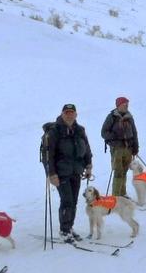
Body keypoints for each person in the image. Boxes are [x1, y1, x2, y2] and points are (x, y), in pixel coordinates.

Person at [46, 103, 94, 242]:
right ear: (62, 114)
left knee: (73, 201)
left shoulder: (80, 130)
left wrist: (89, 166)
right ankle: (64, 230)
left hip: (76, 171)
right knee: (67, 201)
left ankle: (70, 227)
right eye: (66, 112)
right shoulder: (54, 131)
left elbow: (87, 149)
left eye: (72, 112)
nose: (69, 114)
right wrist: (52, 174)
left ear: (76, 114)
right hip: (61, 172)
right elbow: (49, 156)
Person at [101, 96, 138, 197]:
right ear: (118, 105)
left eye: (127, 104)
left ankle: (123, 193)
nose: (126, 106)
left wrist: (135, 147)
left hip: (128, 148)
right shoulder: (111, 117)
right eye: (124, 104)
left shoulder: (129, 117)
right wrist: (114, 136)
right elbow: (104, 132)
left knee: (125, 171)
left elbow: (134, 132)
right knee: (118, 172)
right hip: (117, 149)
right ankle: (116, 196)